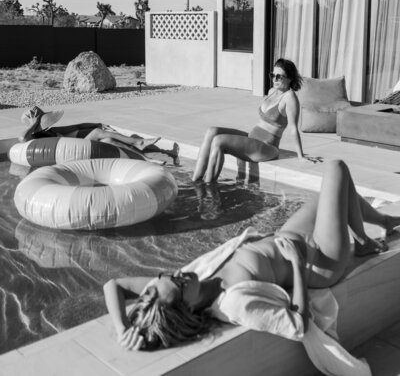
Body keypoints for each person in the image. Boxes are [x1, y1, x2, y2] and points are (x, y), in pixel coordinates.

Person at [103, 159, 400, 375]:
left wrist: (122, 327)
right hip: (318, 261)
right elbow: (299, 326)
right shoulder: (234, 302)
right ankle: (360, 240)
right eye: (180, 284)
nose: (179, 274)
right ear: (188, 308)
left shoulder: (175, 288)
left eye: (169, 275)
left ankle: (384, 221)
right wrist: (296, 265)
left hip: (289, 236)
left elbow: (113, 286)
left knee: (328, 196)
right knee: (336, 169)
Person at [192, 58, 316, 183]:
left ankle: (208, 189)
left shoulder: (289, 97)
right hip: (252, 139)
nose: (274, 79)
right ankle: (196, 181)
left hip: (267, 147)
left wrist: (300, 157)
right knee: (212, 131)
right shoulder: (272, 91)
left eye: (279, 76)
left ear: (290, 78)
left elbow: (293, 129)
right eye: (273, 75)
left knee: (219, 141)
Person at [19, 106, 180, 165]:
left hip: (79, 148)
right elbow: (22, 139)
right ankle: (138, 143)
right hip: (69, 155)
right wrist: (34, 123)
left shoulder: (50, 131)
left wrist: (96, 123)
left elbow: (77, 126)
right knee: (97, 133)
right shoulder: (36, 138)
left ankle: (145, 158)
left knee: (108, 139)